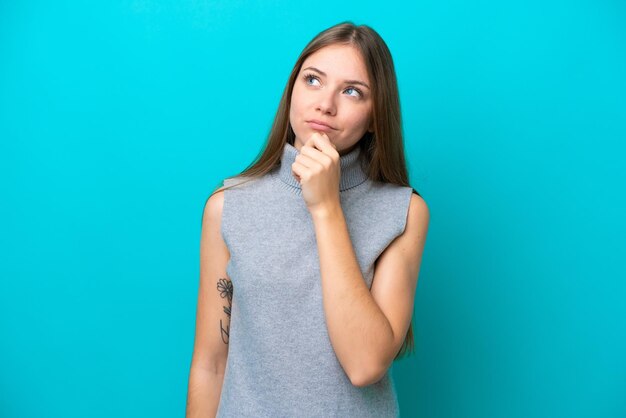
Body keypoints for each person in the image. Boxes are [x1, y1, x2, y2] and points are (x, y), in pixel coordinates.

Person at [186, 21, 430, 418]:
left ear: (375, 116)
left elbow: (365, 364)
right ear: (292, 90)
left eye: (352, 91)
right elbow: (210, 365)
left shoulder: (403, 212)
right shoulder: (228, 206)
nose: (325, 104)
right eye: (313, 80)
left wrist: (326, 207)